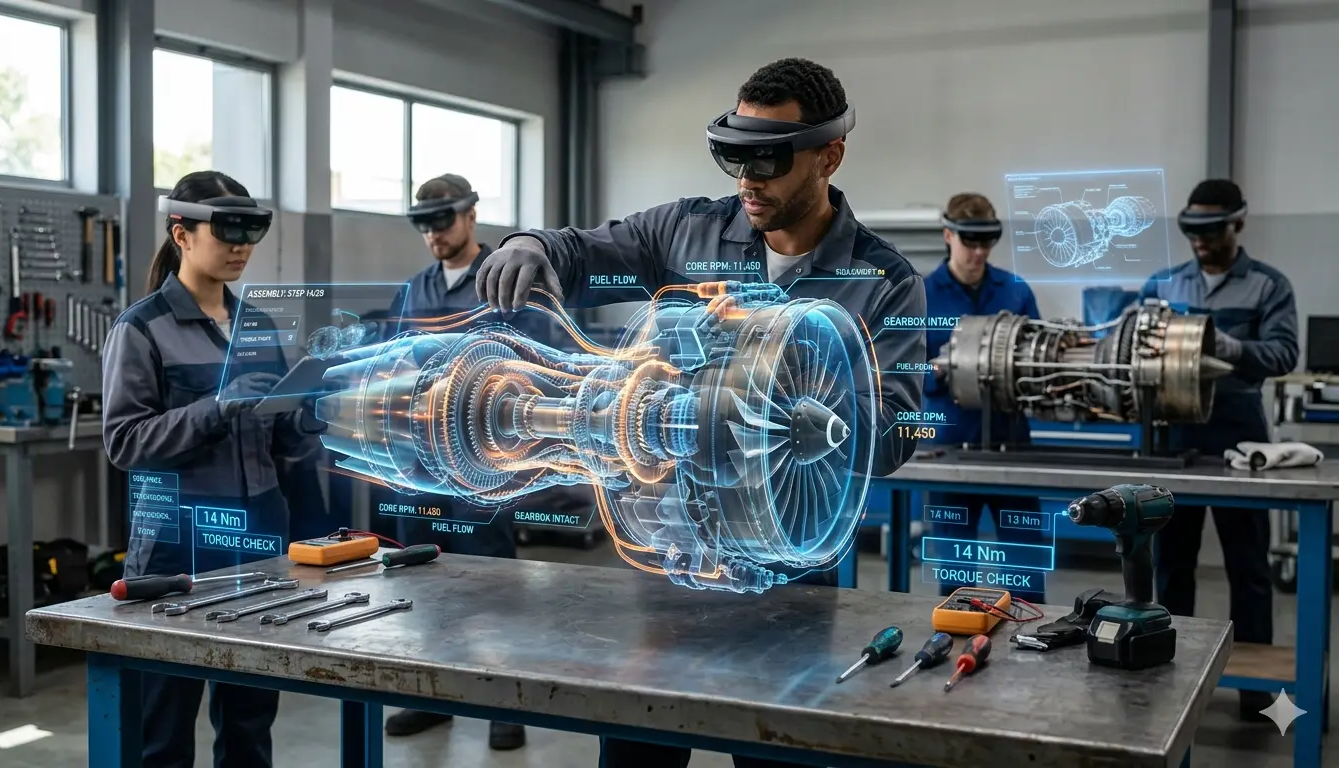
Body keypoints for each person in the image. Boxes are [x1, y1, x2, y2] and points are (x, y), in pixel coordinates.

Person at [474, 57, 926, 768]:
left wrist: (784, 400)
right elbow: (590, 252)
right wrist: (532, 244)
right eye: (735, 158)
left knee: (780, 754)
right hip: (674, 561)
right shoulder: (682, 234)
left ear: (829, 155)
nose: (748, 179)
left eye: (770, 160)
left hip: (789, 570)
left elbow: (898, 426)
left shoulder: (885, 282)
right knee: (638, 754)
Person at [101, 170, 327, 767]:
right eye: (226, 232)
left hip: (258, 543)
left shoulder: (260, 327)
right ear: (181, 232)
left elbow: (285, 444)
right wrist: (215, 409)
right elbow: (125, 442)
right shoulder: (142, 329)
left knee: (251, 723)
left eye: (250, 233)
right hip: (177, 550)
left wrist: (311, 413)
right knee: (164, 730)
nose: (240, 247)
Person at [380, 173, 528, 751]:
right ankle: (430, 698)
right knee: (424, 580)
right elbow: (389, 362)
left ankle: (500, 707)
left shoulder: (506, 284)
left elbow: (535, 362)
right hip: (420, 467)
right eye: (423, 225)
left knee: (492, 585)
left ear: (470, 215)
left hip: (483, 468)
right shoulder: (413, 290)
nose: (434, 235)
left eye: (442, 221)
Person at [1141, 178, 1298, 720]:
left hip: (1240, 438)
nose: (1201, 242)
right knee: (1172, 564)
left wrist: (1223, 345)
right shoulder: (1163, 283)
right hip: (1175, 439)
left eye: (1212, 231)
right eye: (1193, 232)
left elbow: (1283, 355)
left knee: (1248, 567)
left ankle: (1258, 698)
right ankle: (1167, 674)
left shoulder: (1268, 286)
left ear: (1239, 223)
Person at [922, 193, 1046, 605]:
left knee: (1025, 564)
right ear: (947, 235)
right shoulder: (920, 295)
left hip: (1013, 448)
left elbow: (1040, 361)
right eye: (968, 243)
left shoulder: (1015, 290)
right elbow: (900, 371)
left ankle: (1035, 636)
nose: (977, 253)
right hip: (949, 450)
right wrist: (942, 370)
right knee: (956, 575)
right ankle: (957, 641)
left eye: (985, 244)